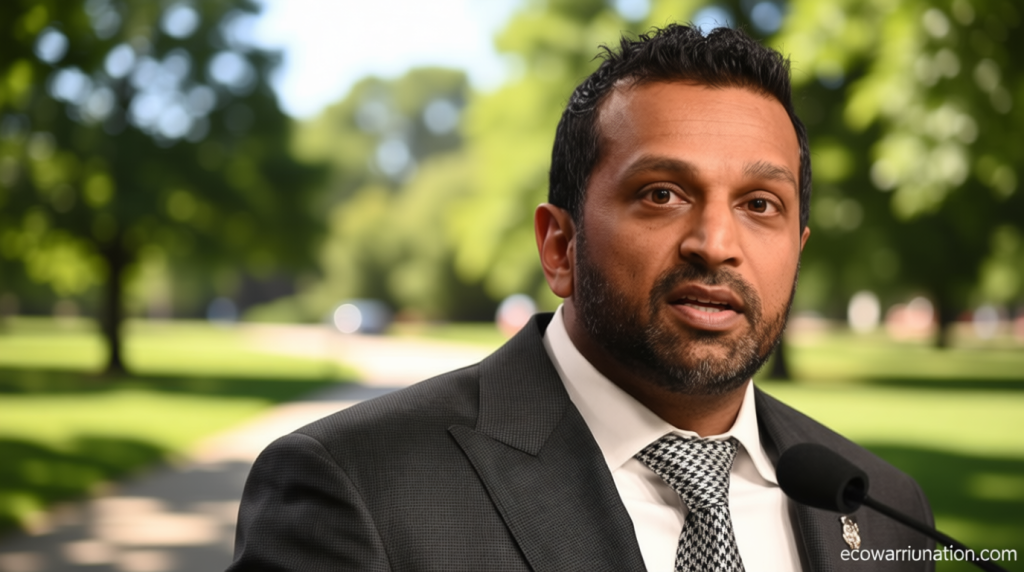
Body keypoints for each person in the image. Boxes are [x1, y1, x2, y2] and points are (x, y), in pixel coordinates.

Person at [228, 24, 934, 571]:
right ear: (560, 247)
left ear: (798, 250)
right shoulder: (354, 489)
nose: (716, 243)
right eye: (662, 194)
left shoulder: (886, 510)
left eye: (759, 204)